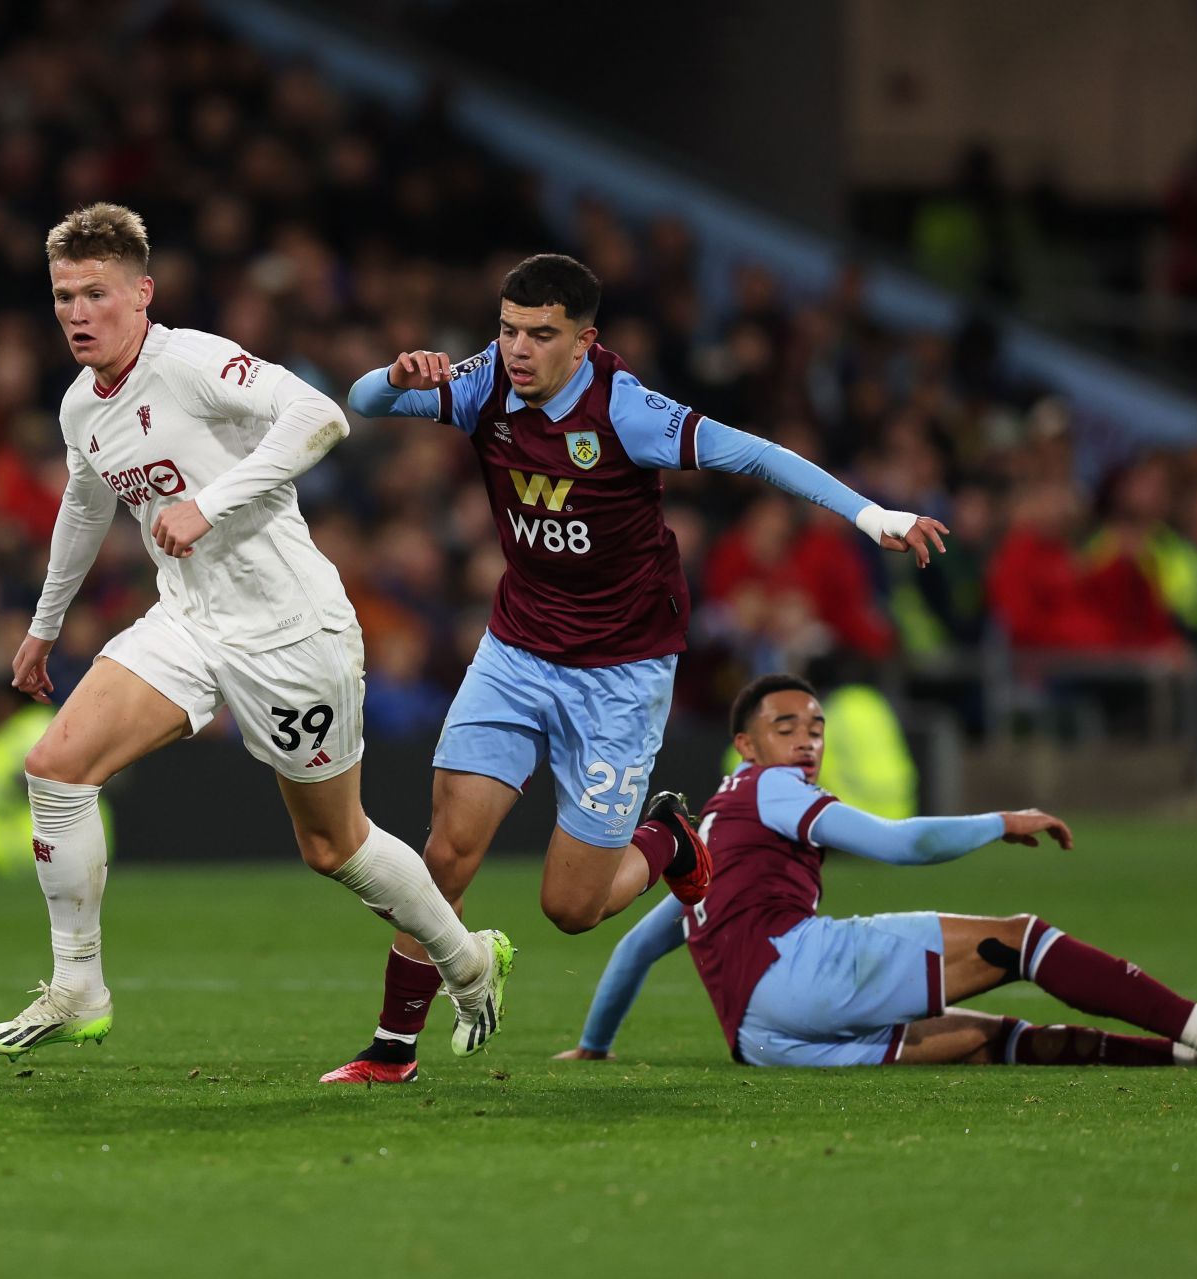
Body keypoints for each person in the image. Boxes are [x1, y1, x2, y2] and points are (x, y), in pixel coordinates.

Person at [322, 254, 948, 1083]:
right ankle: (393, 1048)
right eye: (508, 329)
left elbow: (756, 455)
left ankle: (670, 839)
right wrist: (394, 374)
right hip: (515, 651)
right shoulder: (482, 383)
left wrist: (871, 516)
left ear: (584, 343)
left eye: (540, 335)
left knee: (571, 908)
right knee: (447, 850)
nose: (517, 350)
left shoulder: (626, 409)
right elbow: (363, 403)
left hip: (621, 674)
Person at [0, 204, 510, 1064]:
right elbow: (84, 503)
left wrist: (209, 503)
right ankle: (78, 988)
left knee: (333, 845)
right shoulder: (82, 406)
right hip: (189, 620)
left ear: (142, 293)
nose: (78, 313)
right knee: (56, 767)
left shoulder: (189, 361)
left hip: (292, 630)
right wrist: (44, 627)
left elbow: (320, 416)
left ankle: (469, 959)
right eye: (64, 296)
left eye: (97, 294)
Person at [555, 674, 1197, 1069]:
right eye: (784, 727)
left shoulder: (712, 830)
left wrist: (594, 1045)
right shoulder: (773, 789)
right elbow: (896, 844)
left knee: (989, 1041)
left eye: (816, 727)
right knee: (1020, 941)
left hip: (761, 1037)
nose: (808, 740)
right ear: (746, 745)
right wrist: (999, 820)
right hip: (801, 976)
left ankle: (1191, 1056)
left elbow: (638, 944)